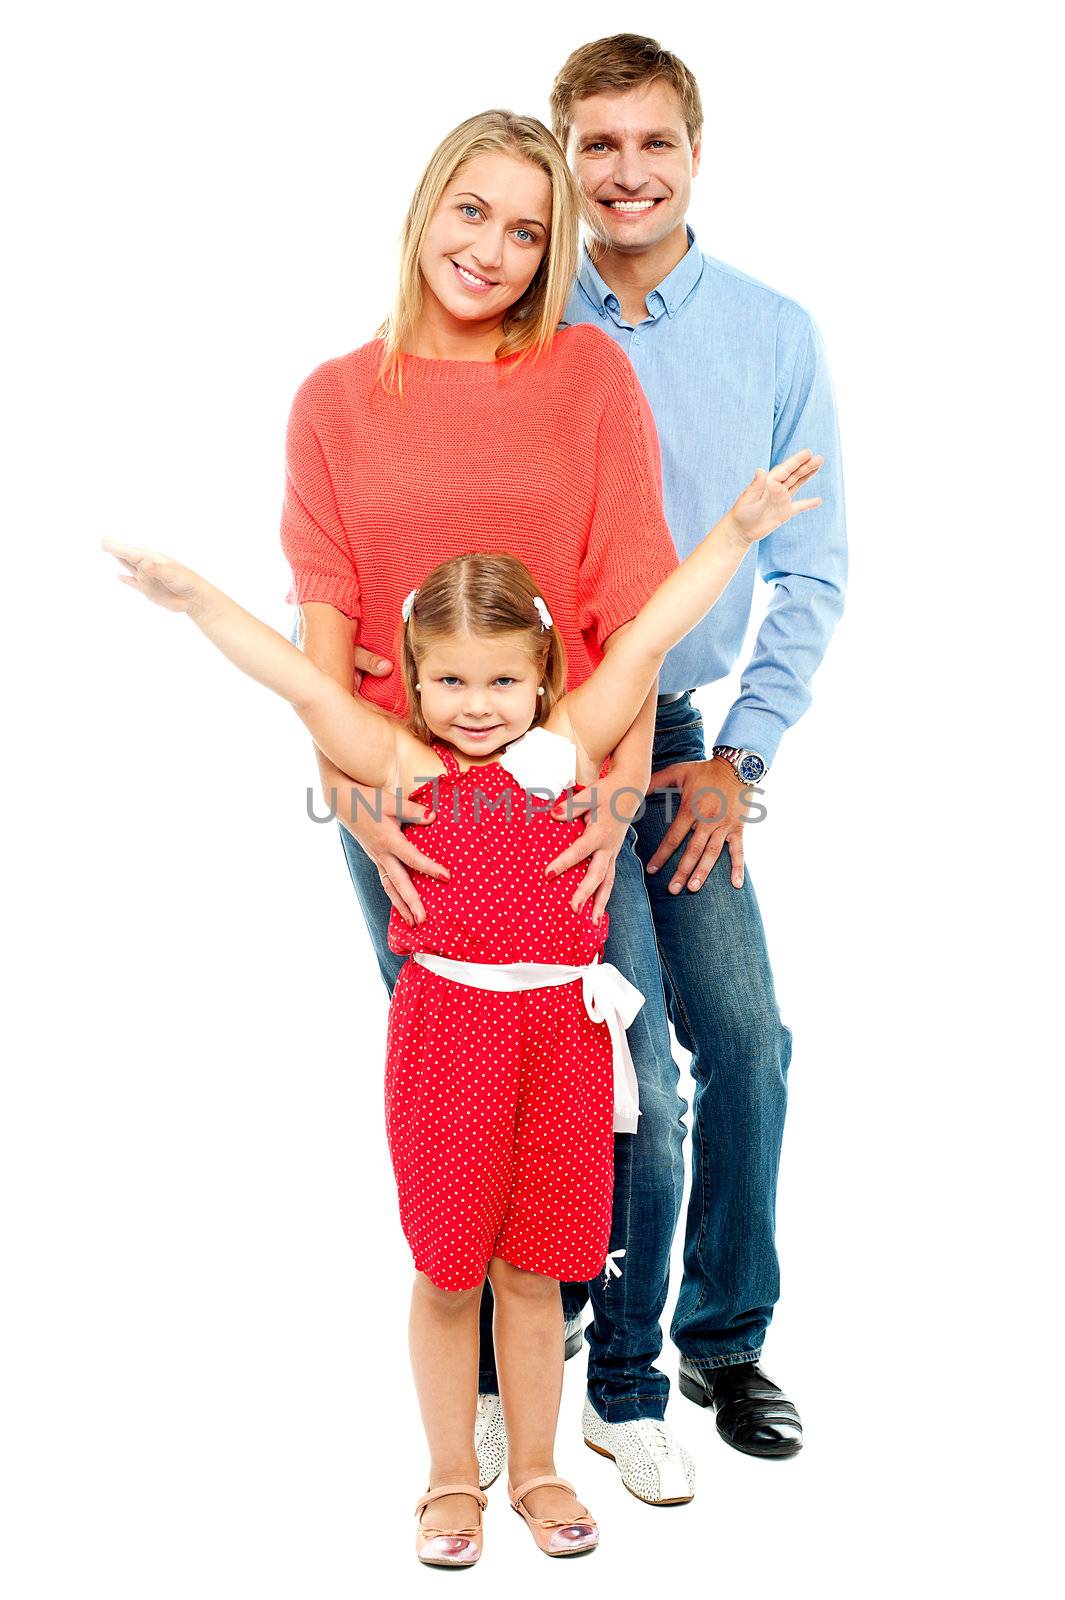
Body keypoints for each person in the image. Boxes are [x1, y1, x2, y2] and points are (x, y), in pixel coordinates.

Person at [101, 445, 822, 1563]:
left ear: (540, 677)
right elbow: (297, 679)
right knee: (450, 1271)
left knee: (537, 1273)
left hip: (564, 1046)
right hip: (451, 1046)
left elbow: (642, 637)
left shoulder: (568, 756)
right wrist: (195, 597)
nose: (475, 705)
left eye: (501, 681)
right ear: (414, 679)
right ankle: (450, 1479)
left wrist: (734, 533)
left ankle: (537, 1469)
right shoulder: (401, 768)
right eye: (449, 681)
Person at [473, 34, 847, 1491]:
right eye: (597, 146)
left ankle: (722, 1333)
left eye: (654, 144)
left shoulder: (771, 331)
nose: (625, 173)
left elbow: (811, 568)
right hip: (536, 744)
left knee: (741, 1039)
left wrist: (737, 760)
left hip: (682, 745)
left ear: (696, 155)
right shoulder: (518, 311)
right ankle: (558, 1317)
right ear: (564, 154)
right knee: (583, 1055)